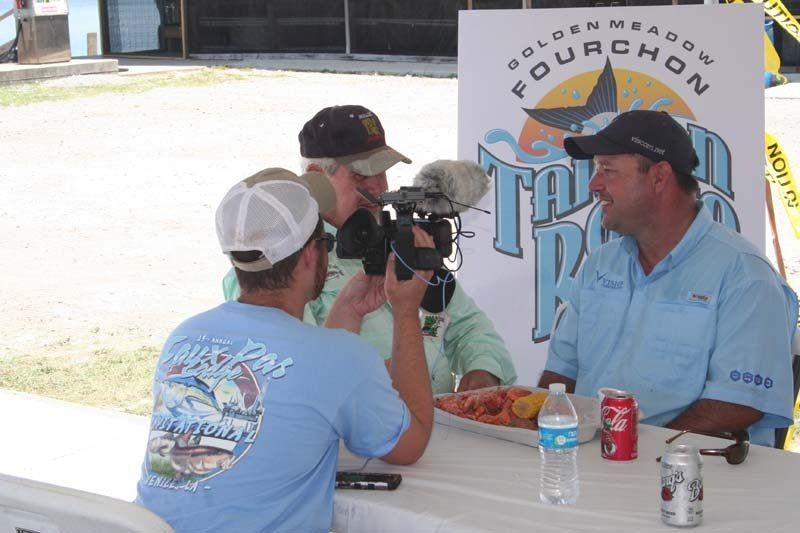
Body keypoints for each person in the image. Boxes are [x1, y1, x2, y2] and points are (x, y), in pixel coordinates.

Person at [137, 168, 434, 532]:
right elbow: (411, 444)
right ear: (312, 254)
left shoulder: (185, 336)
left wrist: (349, 310)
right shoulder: (338, 360)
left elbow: (304, 380)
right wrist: (406, 311)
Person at [538, 110, 798, 447]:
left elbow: (738, 404)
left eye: (607, 170)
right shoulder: (600, 264)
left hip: (696, 481)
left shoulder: (745, 276)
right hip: (595, 465)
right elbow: (561, 376)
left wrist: (643, 450)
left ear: (659, 177)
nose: (594, 184)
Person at [222, 105, 517, 394]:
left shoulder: (401, 238)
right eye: (361, 176)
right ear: (315, 176)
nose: (378, 188)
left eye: (383, 172)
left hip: (438, 427)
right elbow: (295, 370)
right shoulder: (287, 261)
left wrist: (483, 370)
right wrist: (386, 373)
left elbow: (467, 324)